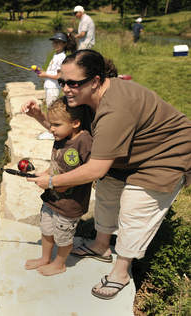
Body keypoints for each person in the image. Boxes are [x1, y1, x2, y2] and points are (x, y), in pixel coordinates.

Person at [22, 49, 191, 300]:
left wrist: (51, 181)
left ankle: (121, 271)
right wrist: (39, 116)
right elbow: (70, 133)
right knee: (107, 191)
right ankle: (100, 246)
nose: (66, 88)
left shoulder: (115, 109)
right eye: (62, 82)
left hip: (164, 157)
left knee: (135, 208)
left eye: (73, 83)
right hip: (128, 154)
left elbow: (96, 168)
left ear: (96, 81)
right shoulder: (84, 99)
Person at [23, 97, 93, 276]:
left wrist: (52, 182)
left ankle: (59, 263)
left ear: (75, 123)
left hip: (69, 204)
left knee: (63, 237)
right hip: (51, 199)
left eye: (56, 124)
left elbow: (90, 170)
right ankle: (45, 258)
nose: (51, 128)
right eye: (51, 124)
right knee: (46, 229)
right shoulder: (62, 135)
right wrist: (46, 173)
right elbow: (57, 163)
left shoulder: (84, 141)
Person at [36, 32, 77, 140]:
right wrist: (42, 72)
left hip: (54, 87)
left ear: (64, 44)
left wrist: (45, 74)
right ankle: (51, 130)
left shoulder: (62, 57)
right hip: (49, 86)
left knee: (51, 109)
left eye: (57, 42)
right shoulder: (56, 55)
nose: (54, 44)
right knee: (50, 108)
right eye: (53, 42)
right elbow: (53, 72)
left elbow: (59, 76)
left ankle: (52, 132)